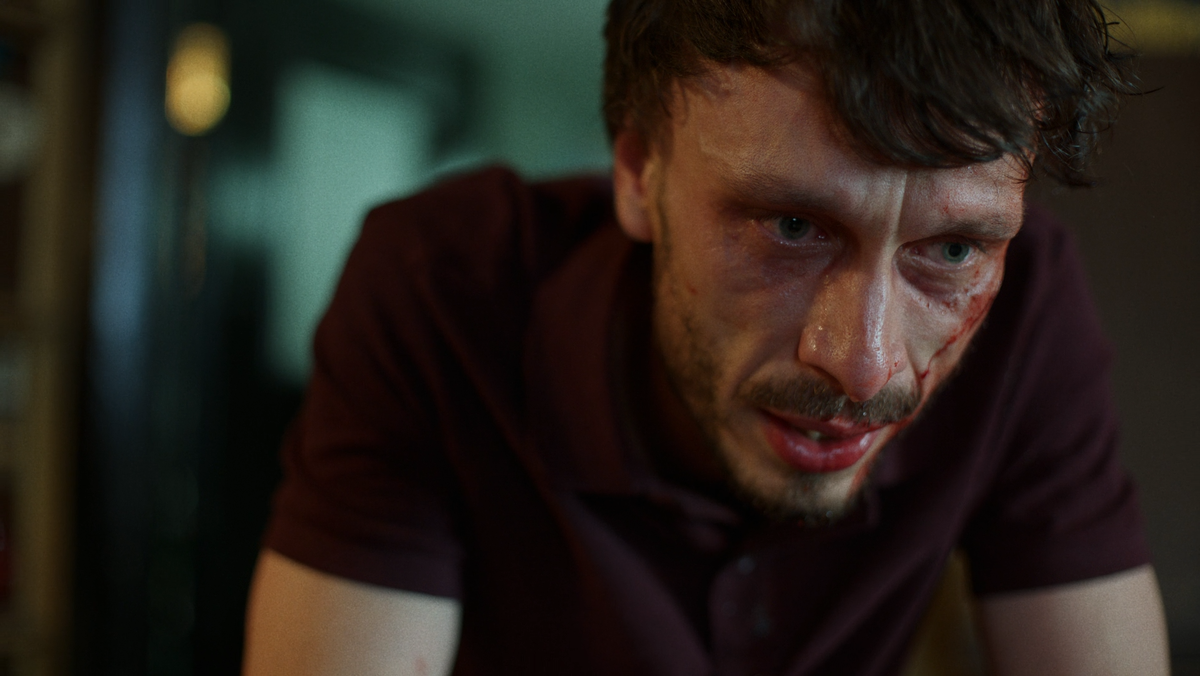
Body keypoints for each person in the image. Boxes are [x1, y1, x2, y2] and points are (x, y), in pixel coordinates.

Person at [242, 0, 1171, 674]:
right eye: (792, 228)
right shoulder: (442, 287)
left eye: (955, 248)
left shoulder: (1028, 299)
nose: (865, 366)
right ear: (638, 169)